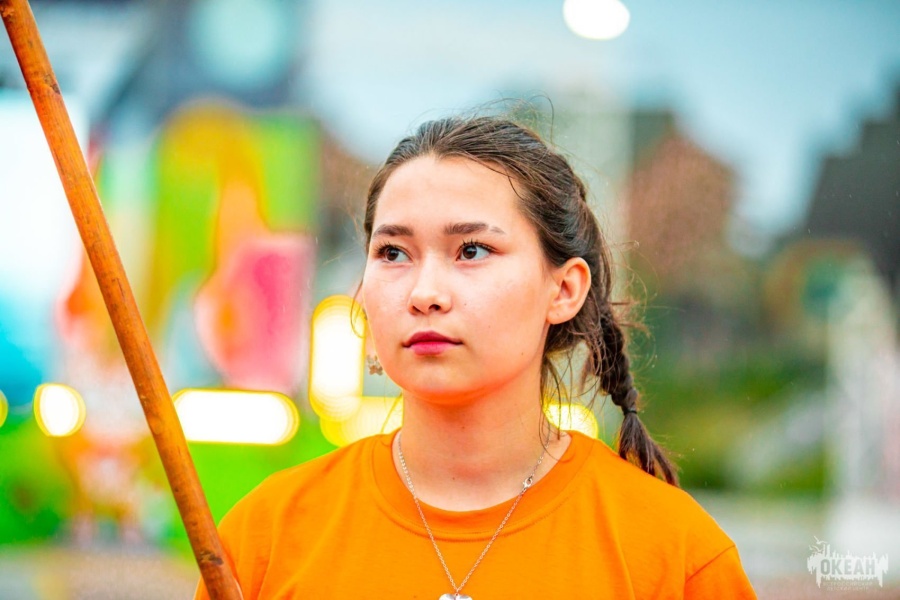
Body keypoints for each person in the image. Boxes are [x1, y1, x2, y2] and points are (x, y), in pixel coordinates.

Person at [195, 115, 757, 599]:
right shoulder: (265, 538)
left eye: (472, 250)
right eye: (393, 253)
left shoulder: (673, 557)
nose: (425, 293)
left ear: (564, 289)